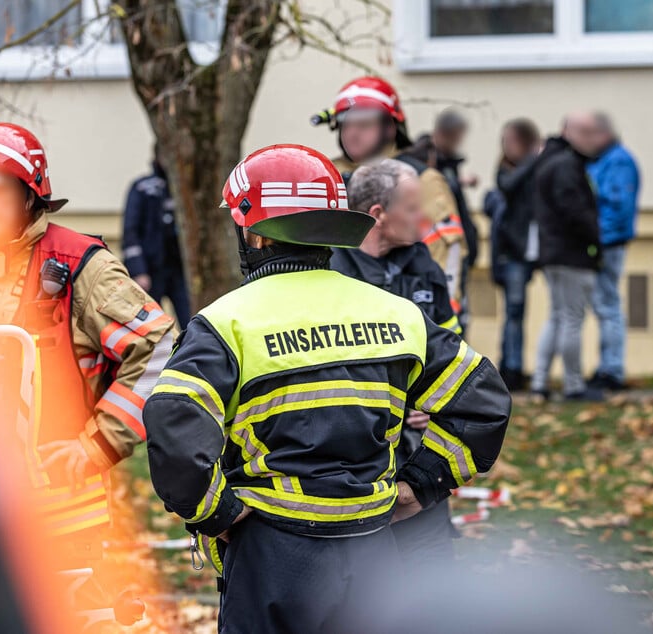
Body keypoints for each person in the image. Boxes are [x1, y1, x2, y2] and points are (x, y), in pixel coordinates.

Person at [142, 144, 511, 633]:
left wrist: (219, 514)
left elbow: (173, 429)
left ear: (251, 232)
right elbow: (483, 405)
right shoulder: (397, 315)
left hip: (271, 553)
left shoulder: (225, 323)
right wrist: (419, 487)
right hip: (375, 549)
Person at [0, 123, 175, 538]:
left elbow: (158, 349)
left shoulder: (80, 265)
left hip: (60, 510)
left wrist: (99, 444)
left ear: (29, 193)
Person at [331, 158, 462, 566]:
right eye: (411, 207)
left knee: (432, 578)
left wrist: (434, 399)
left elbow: (451, 348)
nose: (422, 218)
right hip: (353, 461)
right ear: (378, 215)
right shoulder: (330, 270)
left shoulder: (425, 266)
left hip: (419, 463)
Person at [311, 76, 467, 316]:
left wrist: (441, 321)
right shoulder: (327, 177)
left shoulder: (422, 180)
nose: (352, 133)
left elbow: (447, 256)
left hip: (411, 310)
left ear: (390, 127)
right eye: (345, 124)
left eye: (363, 124)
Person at [530, 113, 603, 402]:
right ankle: (573, 386)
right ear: (569, 132)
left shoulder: (549, 161)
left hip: (554, 252)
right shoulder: (566, 165)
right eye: (586, 132)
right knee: (571, 318)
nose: (591, 139)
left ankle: (539, 381)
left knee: (558, 317)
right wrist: (596, 238)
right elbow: (574, 211)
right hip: (571, 254)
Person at [403, 109, 479, 334]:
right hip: (442, 257)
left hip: (454, 252)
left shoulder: (446, 164)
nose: (460, 142)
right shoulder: (427, 165)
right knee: (450, 322)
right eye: (458, 136)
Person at [586, 113, 640, 392]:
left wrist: (598, 238)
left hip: (609, 243)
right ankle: (607, 366)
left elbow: (616, 206)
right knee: (604, 306)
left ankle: (612, 369)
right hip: (605, 241)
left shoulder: (616, 161)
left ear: (603, 134)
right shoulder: (605, 161)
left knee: (608, 306)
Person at [488, 118, 542, 391]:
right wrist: (533, 159)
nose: (506, 146)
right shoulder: (506, 172)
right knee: (513, 311)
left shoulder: (532, 173)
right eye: (504, 141)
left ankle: (514, 365)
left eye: (511, 140)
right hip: (509, 254)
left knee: (517, 312)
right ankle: (510, 368)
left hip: (526, 252)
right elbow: (508, 186)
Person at [122, 143, 191, 329]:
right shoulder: (142, 188)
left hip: (179, 270)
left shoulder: (184, 188)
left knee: (191, 321)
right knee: (151, 326)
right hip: (151, 271)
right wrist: (138, 271)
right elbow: (130, 232)